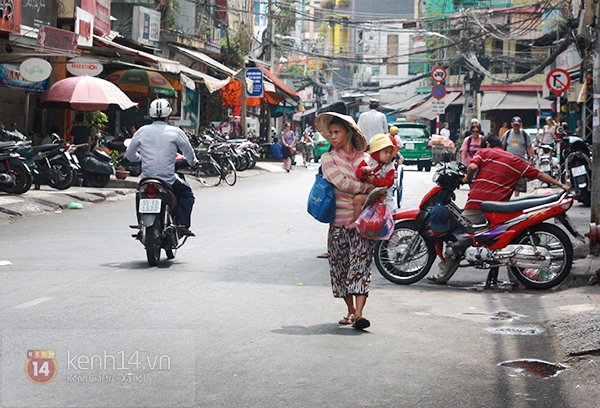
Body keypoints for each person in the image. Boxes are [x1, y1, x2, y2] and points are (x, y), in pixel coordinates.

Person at [427, 134, 570, 284]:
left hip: (477, 204)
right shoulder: (515, 160)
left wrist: (467, 178)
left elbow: (473, 166)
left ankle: (442, 276)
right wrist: (562, 186)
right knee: (509, 242)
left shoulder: (484, 152)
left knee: (459, 238)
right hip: (501, 209)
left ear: (487, 144)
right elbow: (539, 174)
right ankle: (516, 280)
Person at [315, 111, 376, 330]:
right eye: (330, 133)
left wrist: (371, 188)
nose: (332, 137)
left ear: (348, 133)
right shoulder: (327, 159)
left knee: (360, 268)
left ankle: (359, 314)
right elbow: (342, 183)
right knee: (340, 270)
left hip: (363, 225)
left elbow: (380, 184)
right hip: (338, 224)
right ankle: (350, 310)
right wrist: (368, 188)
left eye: (336, 132)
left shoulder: (366, 159)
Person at [126, 99, 199, 236]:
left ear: (151, 114)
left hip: (147, 179)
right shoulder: (176, 132)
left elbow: (130, 155)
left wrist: (140, 159)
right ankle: (183, 225)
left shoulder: (142, 131)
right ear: (168, 115)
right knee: (186, 194)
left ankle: (141, 226)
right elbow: (188, 152)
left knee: (140, 194)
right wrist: (193, 162)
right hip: (168, 180)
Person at [349, 133, 398, 226]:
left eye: (390, 152)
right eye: (385, 152)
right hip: (368, 192)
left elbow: (389, 182)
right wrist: (364, 171)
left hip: (382, 195)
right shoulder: (368, 161)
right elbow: (359, 173)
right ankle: (357, 222)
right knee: (357, 200)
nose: (388, 155)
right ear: (376, 152)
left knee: (386, 216)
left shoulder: (390, 167)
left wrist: (374, 181)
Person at [502, 116, 534, 197]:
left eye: (518, 125)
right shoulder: (507, 133)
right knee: (507, 180)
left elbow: (530, 147)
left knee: (519, 181)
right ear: (511, 124)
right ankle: (507, 197)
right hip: (509, 162)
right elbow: (502, 146)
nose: (516, 127)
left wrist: (531, 159)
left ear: (521, 125)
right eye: (514, 125)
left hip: (521, 161)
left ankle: (516, 198)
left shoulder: (525, 134)